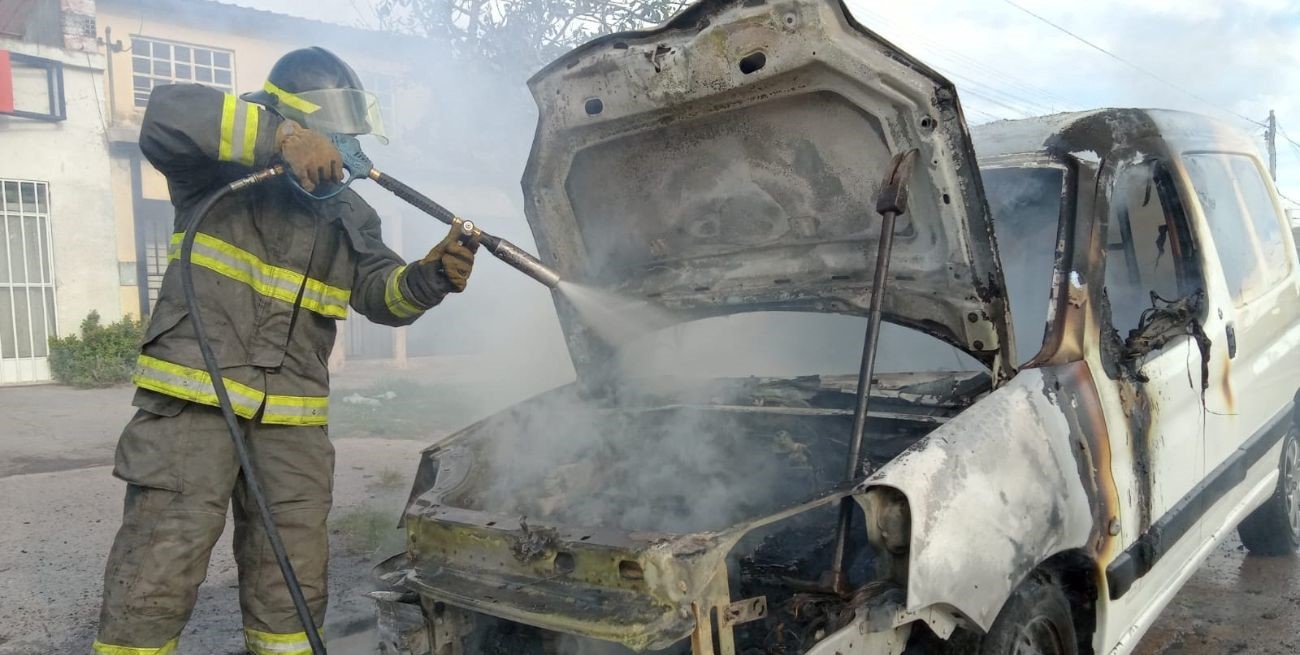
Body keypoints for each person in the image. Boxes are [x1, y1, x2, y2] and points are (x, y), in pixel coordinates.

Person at [93, 47, 476, 655]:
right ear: (298, 119)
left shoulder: (350, 213)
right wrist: (279, 139)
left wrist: (429, 278)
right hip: (196, 404)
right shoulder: (218, 173)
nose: (348, 149)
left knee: (292, 581)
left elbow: (382, 297)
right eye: (337, 133)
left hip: (292, 422)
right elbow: (167, 113)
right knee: (159, 570)